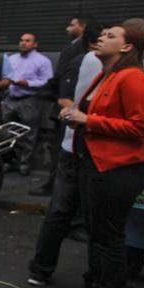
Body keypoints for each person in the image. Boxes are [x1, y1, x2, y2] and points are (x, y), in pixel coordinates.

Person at [65, 23, 144, 288]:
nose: (101, 38)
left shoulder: (135, 77)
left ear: (126, 47)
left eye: (110, 36)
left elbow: (139, 127)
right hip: (94, 164)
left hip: (117, 169)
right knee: (96, 235)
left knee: (109, 238)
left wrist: (87, 119)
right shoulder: (107, 74)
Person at [26, 20, 104, 287]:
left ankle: (95, 278)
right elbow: (64, 97)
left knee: (89, 215)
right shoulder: (85, 61)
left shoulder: (120, 70)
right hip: (77, 149)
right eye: (106, 36)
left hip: (93, 151)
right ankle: (42, 268)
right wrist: (77, 115)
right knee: (62, 209)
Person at [31, 16, 93, 196]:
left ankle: (56, 187)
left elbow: (62, 77)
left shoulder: (75, 50)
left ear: (83, 28)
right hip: (71, 107)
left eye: (72, 25)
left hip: (69, 107)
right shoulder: (76, 48)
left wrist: (58, 97)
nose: (67, 28)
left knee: (61, 150)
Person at [3, 32, 54, 176]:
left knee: (29, 134)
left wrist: (28, 83)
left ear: (35, 44)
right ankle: (8, 161)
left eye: (27, 41)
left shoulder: (42, 61)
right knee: (7, 132)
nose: (23, 43)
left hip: (29, 99)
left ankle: (24, 165)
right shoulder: (11, 58)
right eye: (21, 40)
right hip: (11, 99)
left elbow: (47, 81)